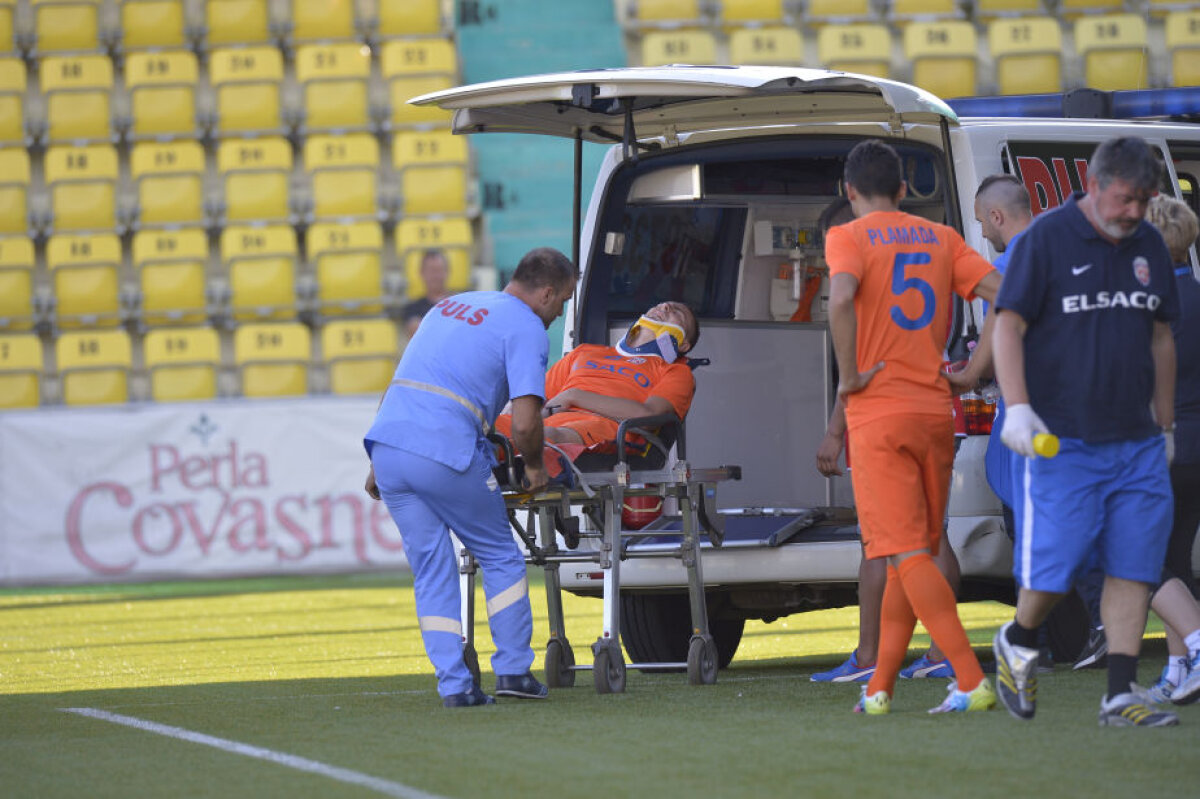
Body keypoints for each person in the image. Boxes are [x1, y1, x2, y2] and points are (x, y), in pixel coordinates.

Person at [991, 136, 1181, 726]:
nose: (1134, 211)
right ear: (1095, 187)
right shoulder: (1045, 240)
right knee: (1059, 568)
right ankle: (1019, 637)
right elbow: (1006, 326)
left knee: (1135, 565)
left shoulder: (1149, 241)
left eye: (1144, 200)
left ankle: (1120, 694)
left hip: (1137, 442)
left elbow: (1161, 336)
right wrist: (1017, 408)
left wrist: (1165, 423)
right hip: (1064, 442)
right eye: (1125, 199)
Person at [826, 139, 1002, 715]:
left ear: (849, 191)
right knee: (917, 550)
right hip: (934, 411)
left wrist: (850, 375)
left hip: (879, 415)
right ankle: (880, 687)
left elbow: (841, 299)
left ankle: (969, 677)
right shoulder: (942, 237)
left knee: (903, 553)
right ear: (904, 190)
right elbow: (1005, 294)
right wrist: (972, 371)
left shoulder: (847, 236)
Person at [363, 247, 578, 708]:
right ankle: (513, 670)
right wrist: (534, 467)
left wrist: (378, 462)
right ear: (545, 293)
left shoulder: (449, 306)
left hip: (389, 444)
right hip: (444, 449)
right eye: (562, 301)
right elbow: (525, 424)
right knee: (499, 555)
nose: (559, 313)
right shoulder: (525, 327)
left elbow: (402, 380)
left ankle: (455, 686)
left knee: (431, 570)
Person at [814, 196, 961, 684]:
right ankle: (940, 651)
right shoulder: (924, 252)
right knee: (932, 537)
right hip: (934, 409)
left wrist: (834, 432)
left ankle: (872, 656)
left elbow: (858, 370)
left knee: (879, 544)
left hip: (885, 419)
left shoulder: (860, 283)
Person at [493, 301, 699, 447]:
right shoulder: (584, 352)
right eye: (662, 305)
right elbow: (534, 396)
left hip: (602, 428)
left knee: (547, 437)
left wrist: (574, 396)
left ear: (684, 345)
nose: (665, 306)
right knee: (482, 426)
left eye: (677, 313)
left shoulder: (676, 372)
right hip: (544, 422)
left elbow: (648, 416)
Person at [1142, 194, 1200, 705]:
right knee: (1175, 560)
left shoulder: (1149, 308)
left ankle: (1193, 652)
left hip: (1162, 446)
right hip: (1195, 448)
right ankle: (1179, 671)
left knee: (1141, 561)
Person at [402, 249, 453, 338]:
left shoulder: (460, 303)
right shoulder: (412, 309)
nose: (436, 276)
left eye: (439, 270)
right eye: (432, 270)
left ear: (447, 272)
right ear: (422, 273)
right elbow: (418, 333)